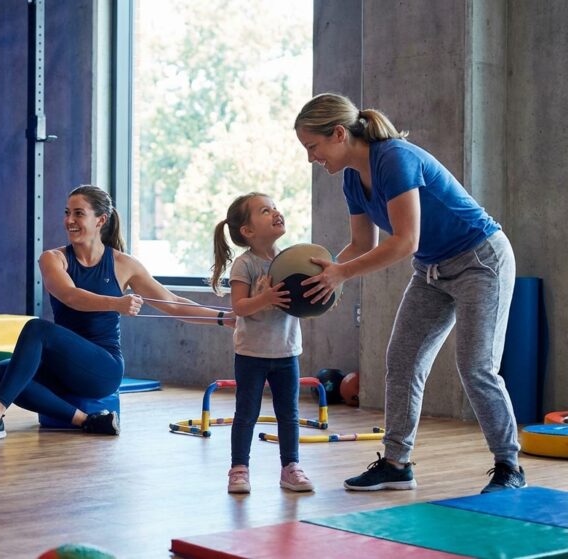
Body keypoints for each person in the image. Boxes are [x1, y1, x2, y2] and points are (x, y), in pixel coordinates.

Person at [293, 93, 525, 493]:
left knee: (476, 367)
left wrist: (341, 274)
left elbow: (405, 241)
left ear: (338, 134)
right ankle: (396, 464)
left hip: (481, 259)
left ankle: (509, 466)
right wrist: (324, 274)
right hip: (433, 268)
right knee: (402, 360)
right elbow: (362, 244)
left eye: (312, 147)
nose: (311, 157)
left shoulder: (394, 158)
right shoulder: (352, 178)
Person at [0, 185, 235, 442]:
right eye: (67, 213)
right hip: (63, 365)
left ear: (100, 220)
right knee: (0, 371)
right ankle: (87, 421)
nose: (69, 220)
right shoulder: (53, 259)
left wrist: (225, 318)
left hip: (102, 369)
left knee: (37, 329)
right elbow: (70, 296)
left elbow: (172, 303)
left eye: (78, 213)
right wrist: (117, 303)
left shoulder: (123, 264)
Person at [209, 192, 314, 494]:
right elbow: (239, 307)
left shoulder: (292, 260)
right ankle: (239, 469)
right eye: (265, 211)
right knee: (246, 414)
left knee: (289, 414)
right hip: (251, 354)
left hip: (286, 352)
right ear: (248, 231)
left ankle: (290, 467)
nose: (276, 212)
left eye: (275, 208)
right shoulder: (245, 265)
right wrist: (265, 298)